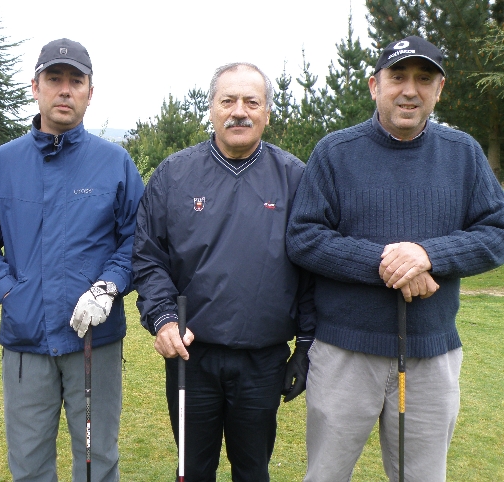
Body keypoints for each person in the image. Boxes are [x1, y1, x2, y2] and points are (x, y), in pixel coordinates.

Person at [286, 35, 504, 481]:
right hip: (344, 354)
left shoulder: (463, 154)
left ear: (439, 90)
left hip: (431, 354)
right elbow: (304, 237)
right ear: (374, 85)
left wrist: (429, 255)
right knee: (325, 475)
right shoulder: (334, 152)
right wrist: (390, 264)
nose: (410, 90)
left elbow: (496, 232)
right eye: (398, 77)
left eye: (424, 79)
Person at [0, 38, 144, 482]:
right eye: (54, 79)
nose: (64, 90)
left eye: (75, 81)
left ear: (89, 91)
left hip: (94, 341)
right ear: (35, 86)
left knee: (97, 461)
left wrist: (108, 287)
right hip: (26, 341)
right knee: (28, 464)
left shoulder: (115, 163)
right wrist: (11, 291)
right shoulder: (2, 164)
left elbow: (139, 242)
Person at [132, 62, 316, 482]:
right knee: (193, 470)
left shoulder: (296, 179)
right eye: (228, 100)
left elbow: (311, 270)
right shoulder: (173, 176)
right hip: (190, 357)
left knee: (252, 471)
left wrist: (305, 347)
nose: (239, 111)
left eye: (252, 102)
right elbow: (148, 257)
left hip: (263, 360)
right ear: (211, 109)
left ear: (267, 113)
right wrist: (162, 318)